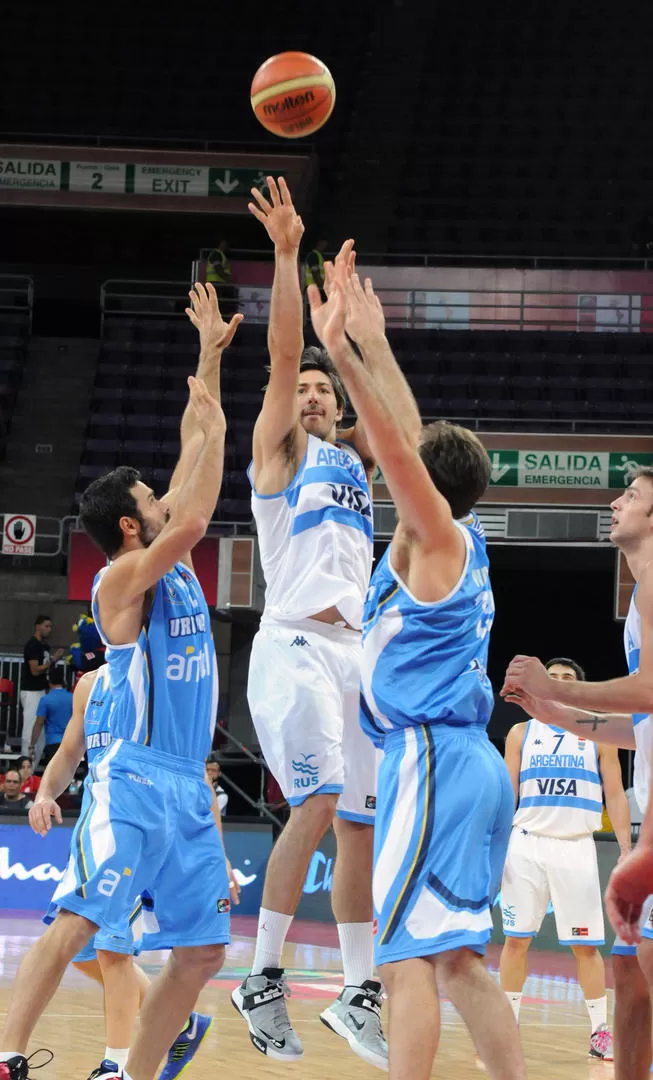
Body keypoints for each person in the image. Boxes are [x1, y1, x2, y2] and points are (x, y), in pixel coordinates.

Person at [0, 282, 243, 1080]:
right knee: (75, 925)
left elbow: (188, 454)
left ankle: (128, 1070)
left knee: (203, 949)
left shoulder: (153, 542)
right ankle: (4, 1055)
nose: (163, 498)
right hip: (134, 780)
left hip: (187, 785)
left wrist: (208, 355)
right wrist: (220, 429)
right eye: (151, 501)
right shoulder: (120, 584)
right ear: (135, 526)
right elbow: (199, 512)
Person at [307, 265, 526, 1079]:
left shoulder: (433, 540)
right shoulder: (450, 541)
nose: (385, 464)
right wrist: (373, 338)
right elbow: (408, 433)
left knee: (402, 958)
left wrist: (344, 352)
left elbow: (397, 442)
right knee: (456, 962)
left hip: (432, 759)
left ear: (423, 489)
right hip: (457, 760)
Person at [233, 177, 420, 1068]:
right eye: (303, 388)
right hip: (295, 644)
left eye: (320, 389)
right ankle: (260, 975)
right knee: (312, 801)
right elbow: (274, 361)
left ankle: (358, 991)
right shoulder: (281, 456)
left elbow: (409, 438)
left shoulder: (353, 458)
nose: (309, 395)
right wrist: (281, 258)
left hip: (355, 656)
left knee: (358, 826)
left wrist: (364, 341)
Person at [501, 465, 653, 1080]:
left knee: (634, 965)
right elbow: (638, 723)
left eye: (632, 495)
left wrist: (556, 686)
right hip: (553, 838)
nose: (615, 502)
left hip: (577, 842)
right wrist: (556, 712)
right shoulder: (640, 598)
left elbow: (649, 689)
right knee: (630, 970)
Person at [30, 666, 215, 1080]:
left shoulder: (159, 677)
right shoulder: (88, 685)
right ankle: (182, 1022)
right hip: (98, 824)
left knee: (114, 948)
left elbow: (189, 762)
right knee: (82, 954)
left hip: (141, 825)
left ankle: (115, 1064)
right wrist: (43, 793)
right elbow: (69, 753)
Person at [499, 656, 630, 1062]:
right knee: (516, 940)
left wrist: (627, 850)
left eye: (566, 679)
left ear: (576, 687)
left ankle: (599, 1032)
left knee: (586, 947)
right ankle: (505, 1028)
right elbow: (507, 793)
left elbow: (616, 794)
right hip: (526, 843)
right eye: (551, 676)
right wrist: (493, 843)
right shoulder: (520, 732)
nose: (557, 682)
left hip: (575, 846)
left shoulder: (597, 733)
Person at [20, 615, 64, 757]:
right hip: (31, 691)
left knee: (40, 730)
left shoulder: (44, 646)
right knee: (30, 728)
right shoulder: (32, 645)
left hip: (41, 690)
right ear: (38, 626)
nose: (49, 629)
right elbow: (35, 670)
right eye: (46, 626)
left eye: (50, 626)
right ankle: (26, 762)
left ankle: (33, 762)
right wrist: (53, 660)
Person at [30, 666, 73, 769]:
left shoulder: (46, 699)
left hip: (53, 741)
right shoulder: (73, 697)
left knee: (54, 772)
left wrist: (32, 744)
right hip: (71, 741)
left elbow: (39, 723)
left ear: (49, 682)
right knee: (68, 773)